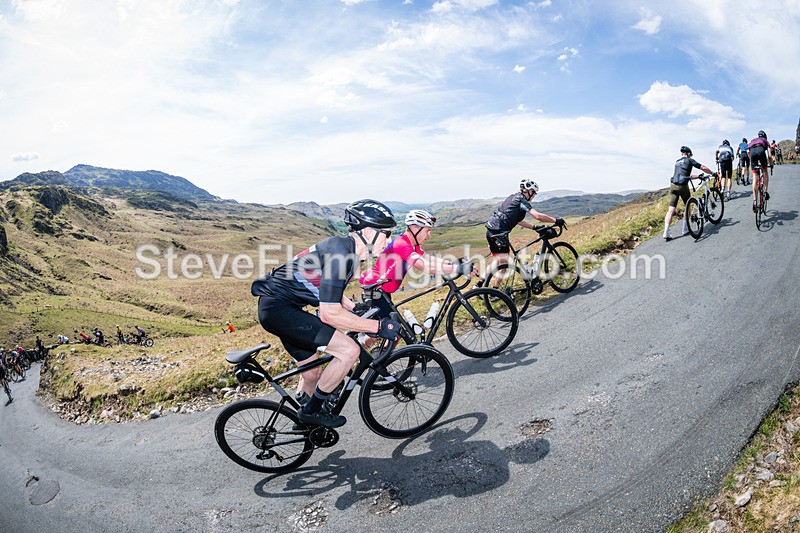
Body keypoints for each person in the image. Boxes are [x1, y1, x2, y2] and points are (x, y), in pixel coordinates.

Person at [251, 199, 401, 428]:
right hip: (280, 310)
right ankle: (311, 413)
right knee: (349, 351)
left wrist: (355, 310)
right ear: (369, 231)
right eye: (386, 234)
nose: (389, 240)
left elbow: (329, 290)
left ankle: (304, 427)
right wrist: (378, 328)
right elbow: (329, 314)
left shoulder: (346, 250)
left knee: (311, 374)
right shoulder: (342, 256)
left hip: (278, 308)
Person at [359, 209, 477, 318]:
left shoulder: (412, 245)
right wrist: (458, 269)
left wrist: (454, 263)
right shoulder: (402, 244)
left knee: (396, 332)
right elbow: (425, 267)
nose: (429, 235)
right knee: (390, 332)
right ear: (415, 229)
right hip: (375, 290)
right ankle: (354, 341)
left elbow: (429, 259)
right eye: (427, 231)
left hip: (382, 289)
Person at [479, 179, 565, 284]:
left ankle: (478, 286)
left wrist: (534, 227)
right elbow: (537, 216)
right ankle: (494, 292)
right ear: (527, 191)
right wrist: (556, 220)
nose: (534, 195)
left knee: (498, 261)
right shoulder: (521, 201)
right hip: (499, 234)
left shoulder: (512, 197)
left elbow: (518, 220)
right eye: (533, 192)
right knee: (503, 265)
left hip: (491, 231)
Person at [663, 146, 715, 241]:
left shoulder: (677, 162)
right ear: (688, 154)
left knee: (671, 210)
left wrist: (698, 176)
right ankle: (685, 229)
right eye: (690, 154)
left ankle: (666, 232)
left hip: (673, 185)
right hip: (683, 186)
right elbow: (702, 167)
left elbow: (685, 175)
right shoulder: (689, 160)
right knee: (688, 206)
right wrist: (712, 173)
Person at [748, 131, 773, 210]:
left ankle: (755, 200)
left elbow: (748, 152)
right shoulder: (765, 141)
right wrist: (771, 164)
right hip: (761, 152)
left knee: (755, 177)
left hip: (752, 153)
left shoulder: (753, 140)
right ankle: (765, 192)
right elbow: (769, 155)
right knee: (765, 172)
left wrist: (752, 161)